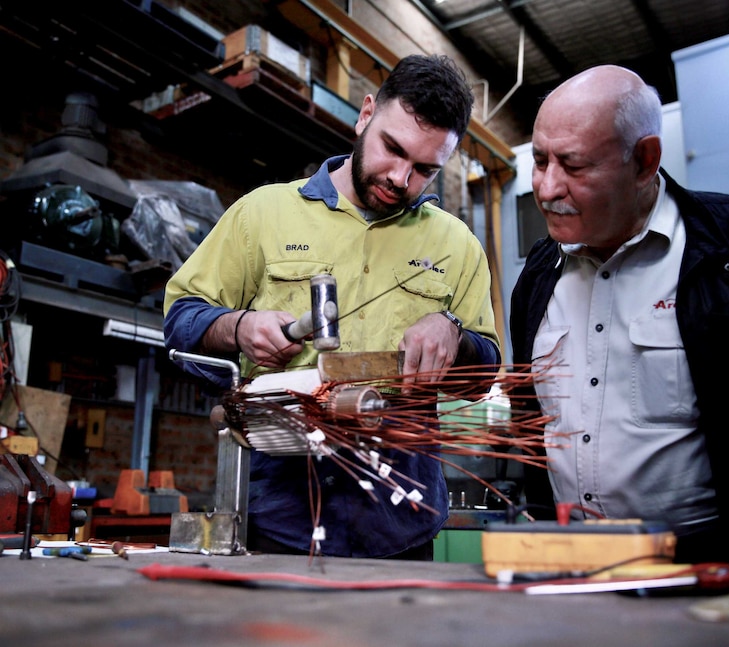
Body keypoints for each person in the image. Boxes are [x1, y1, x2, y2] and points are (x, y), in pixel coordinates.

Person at [511, 64, 729, 565]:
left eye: (573, 165)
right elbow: (532, 423)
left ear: (644, 160)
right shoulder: (539, 276)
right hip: (577, 567)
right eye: (540, 160)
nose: (546, 188)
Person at [163, 54, 501, 559]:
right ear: (366, 114)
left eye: (425, 169)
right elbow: (180, 321)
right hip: (278, 519)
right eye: (393, 149)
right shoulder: (263, 214)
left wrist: (454, 333)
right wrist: (237, 327)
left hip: (400, 525)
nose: (401, 178)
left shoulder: (458, 246)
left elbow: (485, 372)